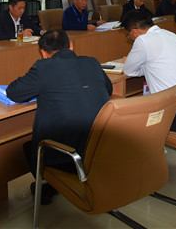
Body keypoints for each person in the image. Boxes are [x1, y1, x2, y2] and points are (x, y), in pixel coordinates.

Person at [6, 29, 112, 203]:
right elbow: (108, 89)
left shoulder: (43, 67)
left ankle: (50, 186)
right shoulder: (92, 62)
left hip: (67, 158)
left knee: (28, 146)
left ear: (43, 53)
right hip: (100, 150)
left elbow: (13, 92)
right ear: (71, 46)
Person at [122, 10, 176, 132]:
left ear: (135, 31)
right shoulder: (171, 35)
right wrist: (150, 68)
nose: (131, 38)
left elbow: (128, 70)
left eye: (129, 34)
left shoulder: (143, 40)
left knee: (128, 123)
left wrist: (146, 68)